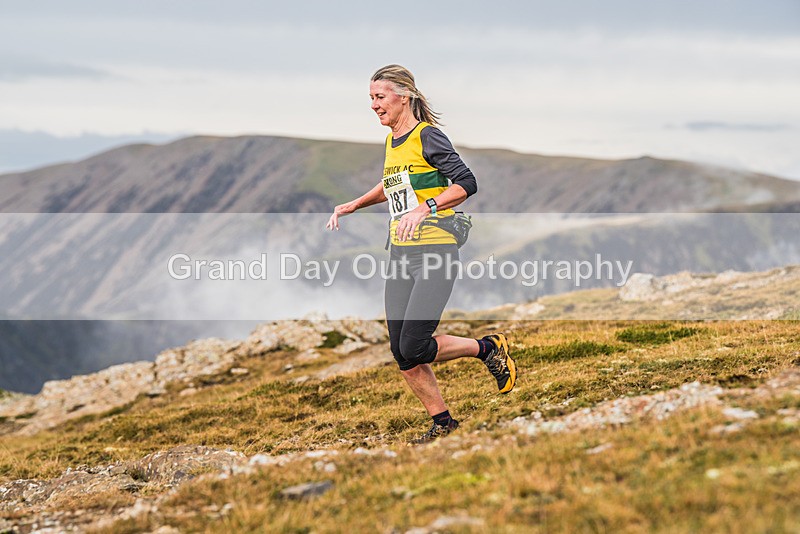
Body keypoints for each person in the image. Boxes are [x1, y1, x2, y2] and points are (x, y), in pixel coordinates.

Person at [326, 64, 517, 443]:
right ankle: (444, 424)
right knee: (402, 352)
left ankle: (487, 348)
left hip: (435, 250)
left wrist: (425, 208)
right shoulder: (393, 141)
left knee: (415, 344)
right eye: (371, 99)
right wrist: (355, 204)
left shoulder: (428, 136)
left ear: (404, 96)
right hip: (400, 251)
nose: (374, 106)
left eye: (380, 97)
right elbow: (393, 184)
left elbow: (466, 183)